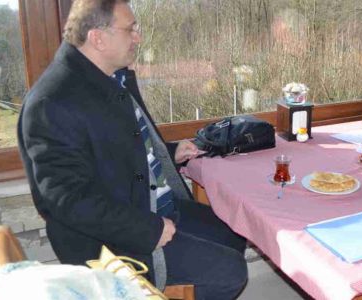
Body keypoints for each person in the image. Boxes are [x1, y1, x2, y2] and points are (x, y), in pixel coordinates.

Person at [17, 1, 247, 299]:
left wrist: (168, 151)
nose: (137, 37)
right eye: (130, 29)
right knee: (231, 272)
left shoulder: (105, 77)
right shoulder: (52, 103)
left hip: (151, 207)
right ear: (98, 38)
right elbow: (68, 202)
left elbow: (119, 146)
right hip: (112, 242)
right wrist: (147, 230)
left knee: (235, 232)